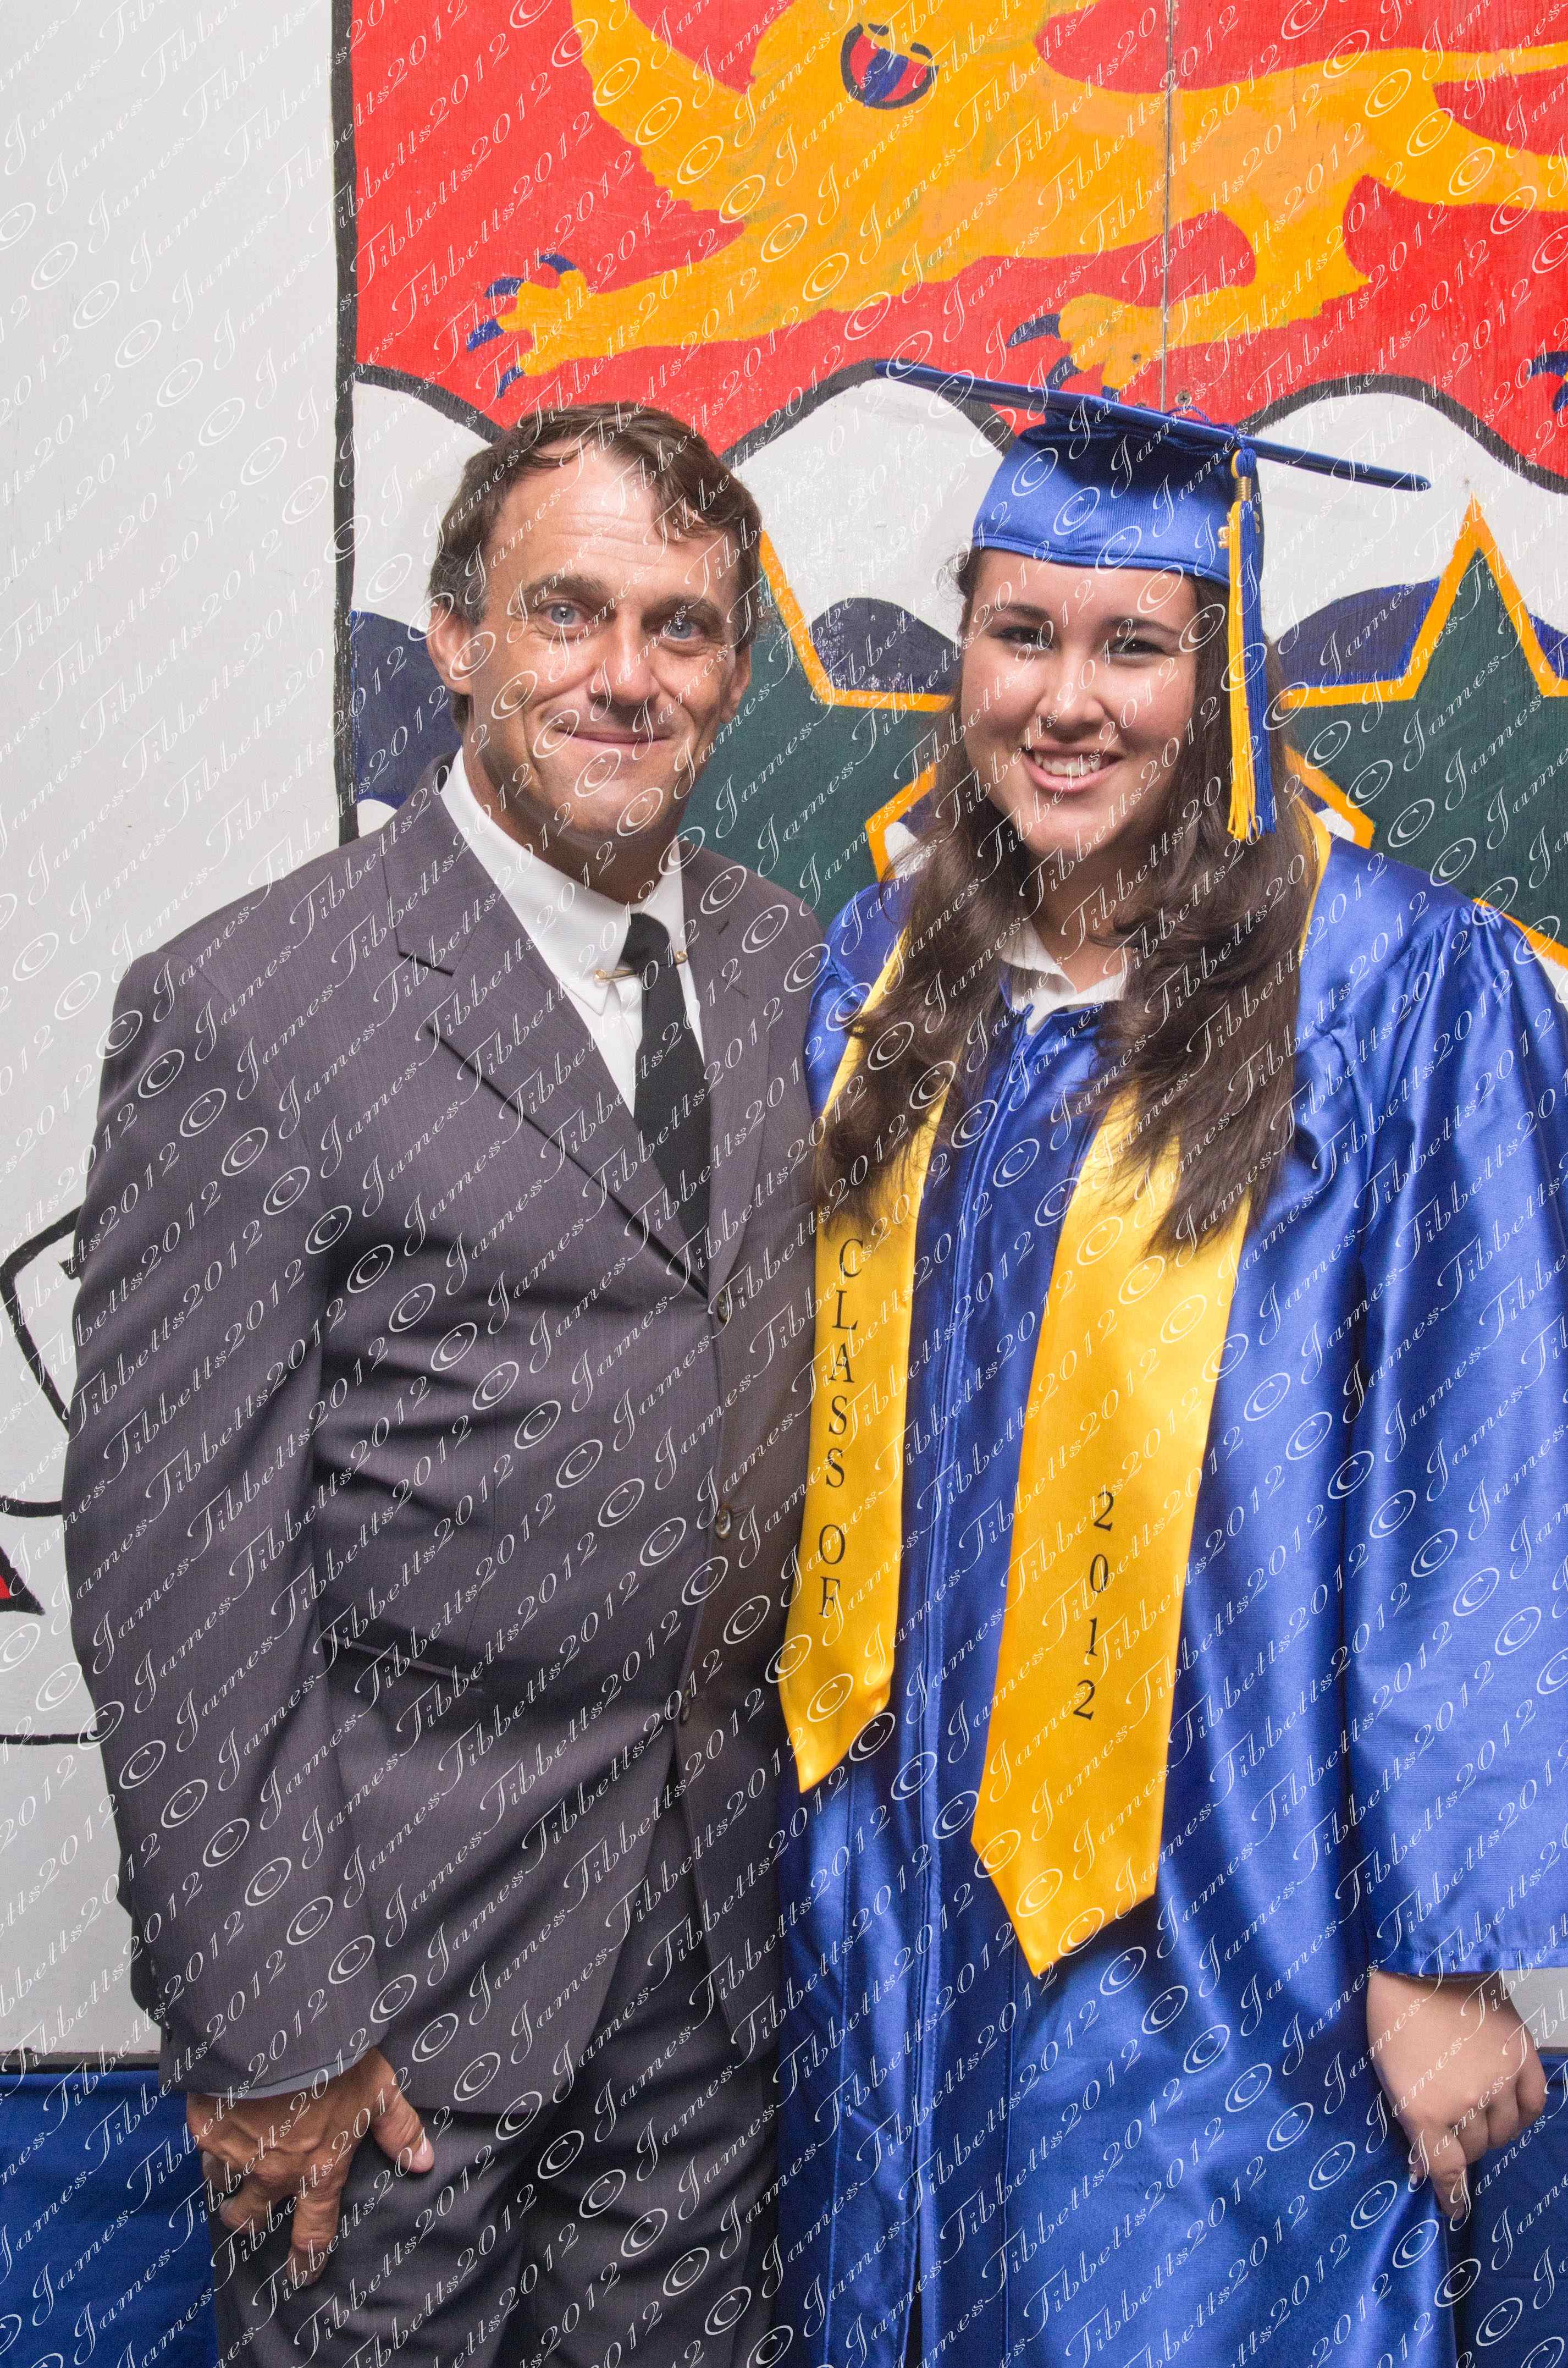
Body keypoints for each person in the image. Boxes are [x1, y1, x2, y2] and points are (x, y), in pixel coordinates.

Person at [775, 362, 1568, 2368]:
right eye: (1020, 635)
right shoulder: (883, 983)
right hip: (901, 1880)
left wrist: (1445, 1941)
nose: (1068, 701)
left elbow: (1481, 1465)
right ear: (958, 661)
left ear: (1223, 686)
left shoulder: (1392, 989)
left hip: (1242, 1912)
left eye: (1133, 646)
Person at [63, 402, 821, 2367]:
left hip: (711, 1983)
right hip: (386, 2004)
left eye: (679, 624)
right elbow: (174, 1569)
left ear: (735, 670)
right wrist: (268, 2018)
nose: (624, 672)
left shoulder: (788, 967)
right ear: (457, 638)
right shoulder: (252, 1008)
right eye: (567, 611)